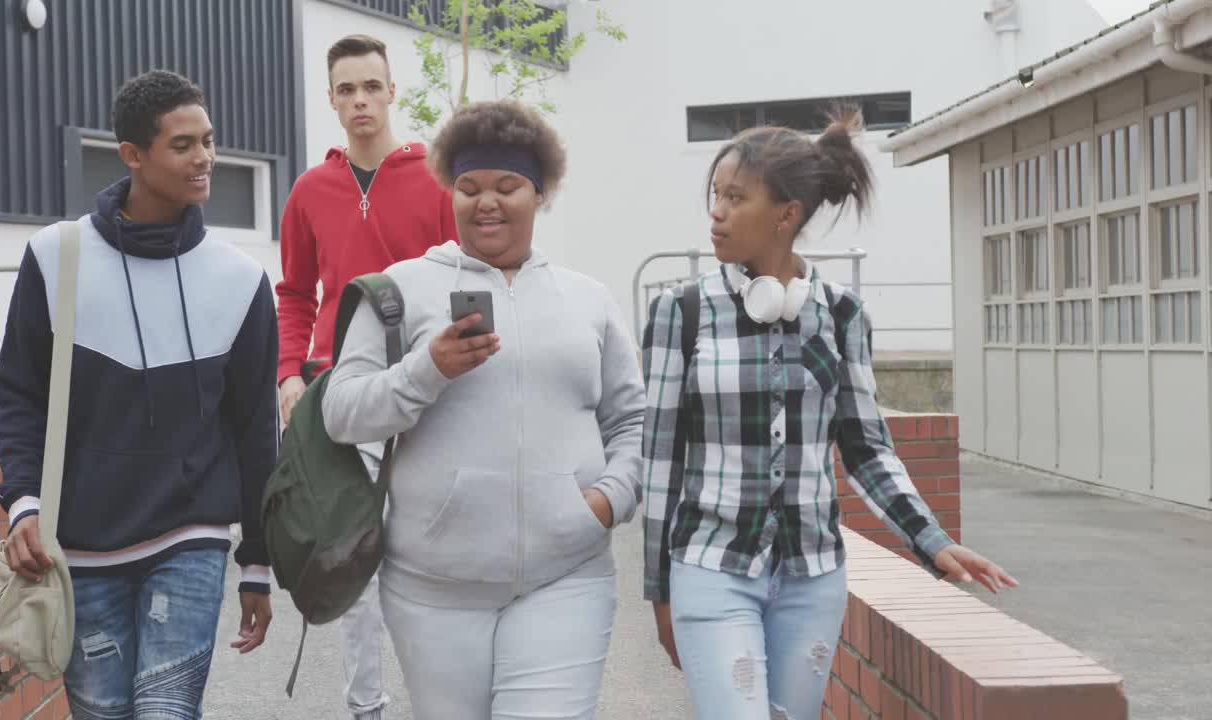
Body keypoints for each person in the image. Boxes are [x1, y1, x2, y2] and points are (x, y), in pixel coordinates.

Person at [641, 112, 1018, 720]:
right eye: (716, 195)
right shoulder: (679, 313)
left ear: (785, 214)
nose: (716, 212)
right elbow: (660, 459)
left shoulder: (842, 314)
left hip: (812, 574)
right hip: (710, 565)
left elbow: (867, 447)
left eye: (735, 198)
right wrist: (657, 589)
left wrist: (933, 540)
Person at [321, 99, 644, 720]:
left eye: (507, 186)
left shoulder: (588, 300)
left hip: (567, 576)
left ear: (540, 192)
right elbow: (342, 412)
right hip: (433, 590)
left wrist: (607, 500)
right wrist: (428, 369)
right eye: (468, 187)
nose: (486, 202)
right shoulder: (399, 289)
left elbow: (630, 421)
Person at [0, 69, 276, 719]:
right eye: (183, 145)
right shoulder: (55, 257)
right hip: (81, 547)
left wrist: (257, 559)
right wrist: (24, 502)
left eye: (208, 140)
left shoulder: (240, 280)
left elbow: (257, 429)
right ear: (132, 154)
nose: (205, 158)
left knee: (165, 712)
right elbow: (18, 394)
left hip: (191, 537)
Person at [274, 34, 455, 720]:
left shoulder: (436, 181)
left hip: (423, 387)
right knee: (351, 553)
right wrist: (290, 372)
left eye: (370, 87)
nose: (359, 101)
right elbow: (294, 292)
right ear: (330, 100)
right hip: (337, 394)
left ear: (391, 92)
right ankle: (365, 708)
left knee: (424, 546)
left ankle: (441, 700)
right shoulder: (310, 190)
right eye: (346, 90)